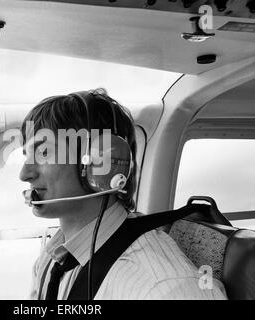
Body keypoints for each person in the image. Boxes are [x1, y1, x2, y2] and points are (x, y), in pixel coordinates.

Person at [19, 88, 227, 300]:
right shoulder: (53, 256)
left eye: (43, 152)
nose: (24, 174)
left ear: (101, 161)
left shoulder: (162, 289)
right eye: (27, 156)